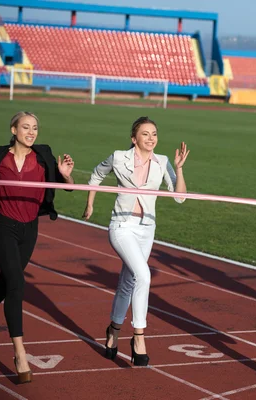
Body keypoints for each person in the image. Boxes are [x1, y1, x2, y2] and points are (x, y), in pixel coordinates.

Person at [82, 116, 189, 367]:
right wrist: (90, 203)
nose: (151, 138)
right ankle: (139, 337)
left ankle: (113, 331)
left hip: (146, 228)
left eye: (154, 134)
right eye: (145, 134)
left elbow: (180, 197)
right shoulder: (119, 157)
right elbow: (96, 175)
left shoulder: (162, 162)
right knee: (144, 276)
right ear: (134, 138)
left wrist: (179, 168)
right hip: (121, 226)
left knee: (128, 281)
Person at [0, 111, 75, 384]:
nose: (31, 132)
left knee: (9, 280)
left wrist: (65, 176)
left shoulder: (43, 155)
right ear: (13, 128)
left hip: (30, 229)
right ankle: (19, 353)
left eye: (35, 128)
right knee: (17, 284)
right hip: (3, 227)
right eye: (26, 127)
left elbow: (66, 187)